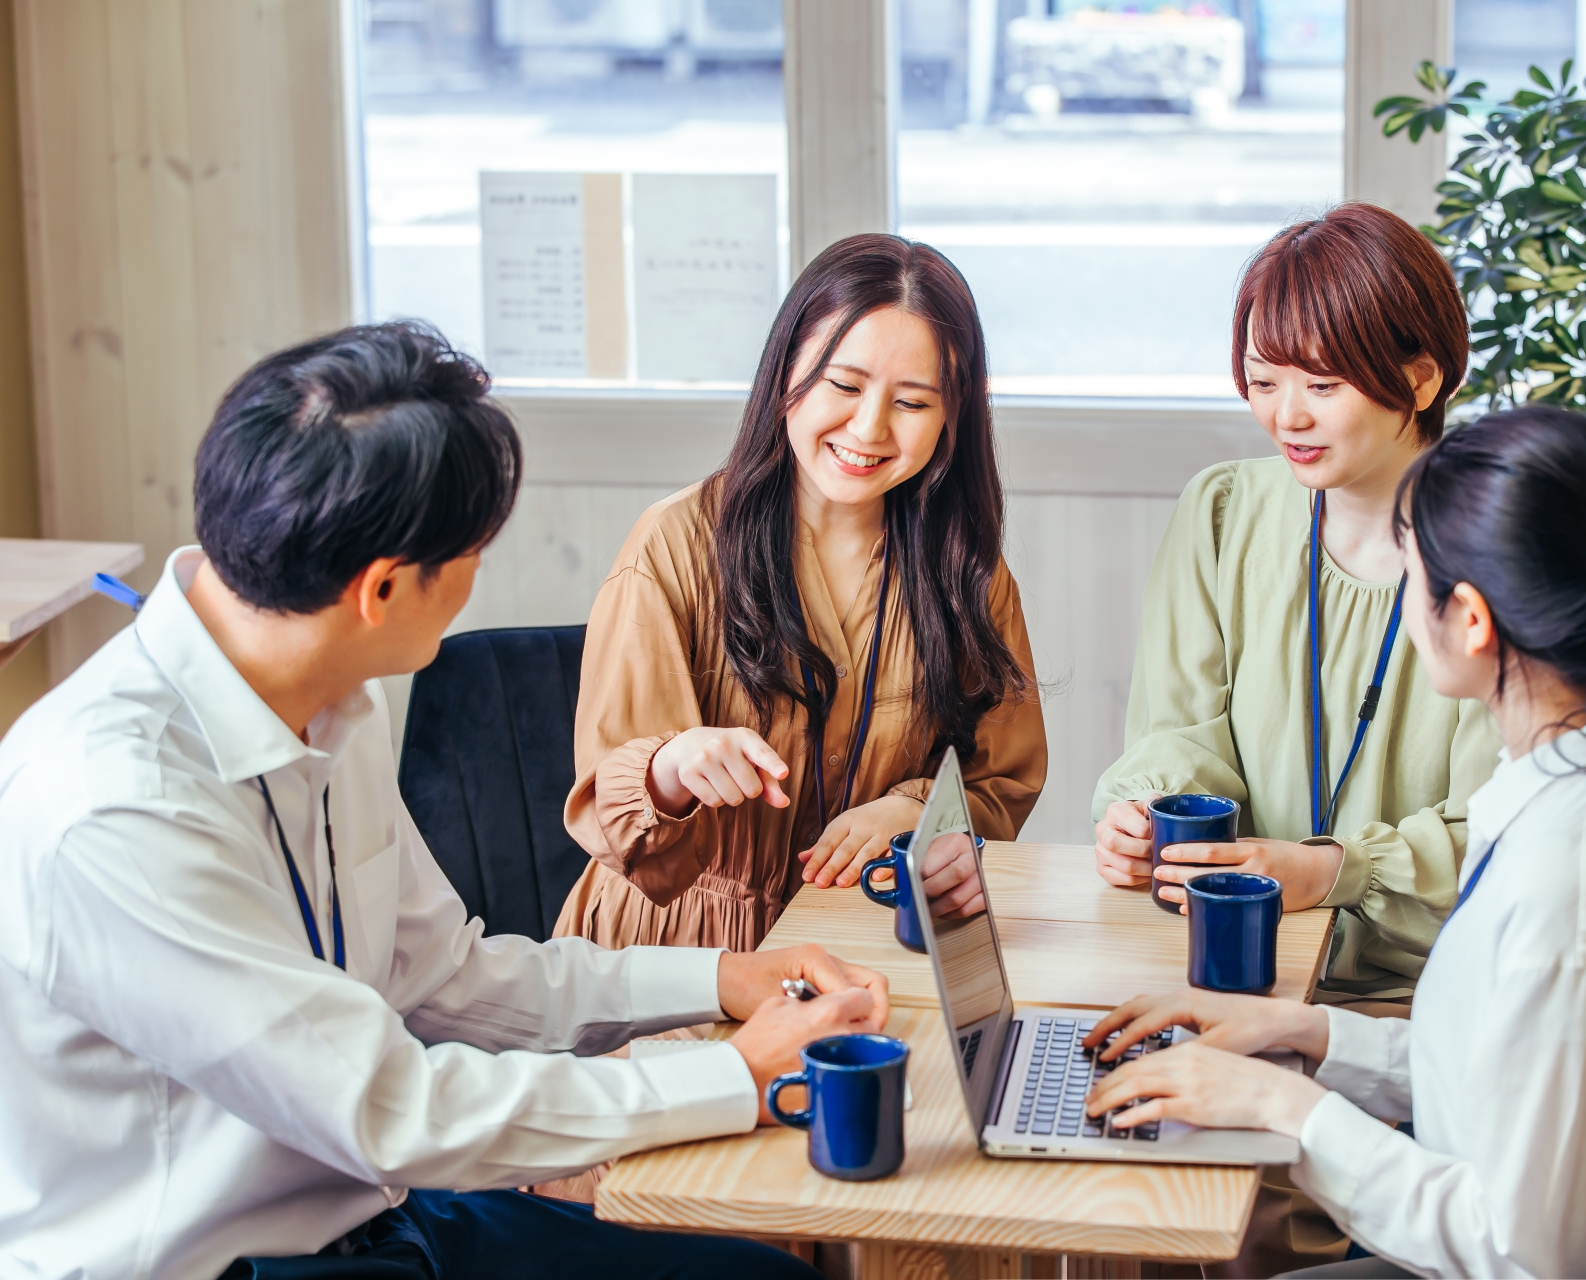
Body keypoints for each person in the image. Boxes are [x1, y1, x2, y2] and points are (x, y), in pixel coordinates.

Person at [0, 323, 889, 1279]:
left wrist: (721, 979)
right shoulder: (113, 807)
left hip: (379, 1220)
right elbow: (392, 1109)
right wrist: (734, 1074)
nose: (479, 575)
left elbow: (446, 981)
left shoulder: (331, 698)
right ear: (383, 590)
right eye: (473, 550)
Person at [1082, 406, 1586, 1278]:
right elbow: (1507, 1080)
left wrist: (1287, 1110)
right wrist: (1301, 1033)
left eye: (1409, 574)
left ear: (1470, 620)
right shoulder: (1572, 791)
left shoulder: (1568, 885)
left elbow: (1526, 1253)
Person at [554, 233, 1046, 955]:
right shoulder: (673, 546)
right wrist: (674, 768)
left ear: (952, 419)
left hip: (864, 942)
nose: (869, 428)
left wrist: (911, 813)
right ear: (786, 371)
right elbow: (612, 818)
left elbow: (1001, 781)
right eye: (843, 387)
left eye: (912, 402)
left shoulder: (966, 568)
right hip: (677, 953)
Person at [1091, 203, 1502, 1006]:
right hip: (1236, 968)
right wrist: (1144, 819)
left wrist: (1334, 869)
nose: (1288, 416)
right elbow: (1176, 733)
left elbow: (1505, 837)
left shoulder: (1496, 550)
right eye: (1264, 379)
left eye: (1322, 383)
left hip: (1435, 997)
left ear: (1422, 379)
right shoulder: (1222, 513)